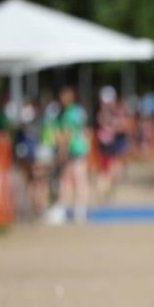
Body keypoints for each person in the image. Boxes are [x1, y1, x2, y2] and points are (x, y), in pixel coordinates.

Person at [49, 86, 90, 224]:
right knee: (75, 180)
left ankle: (67, 209)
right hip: (79, 149)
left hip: (74, 150)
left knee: (70, 180)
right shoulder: (78, 111)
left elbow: (67, 133)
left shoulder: (69, 113)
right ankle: (76, 209)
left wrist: (62, 150)